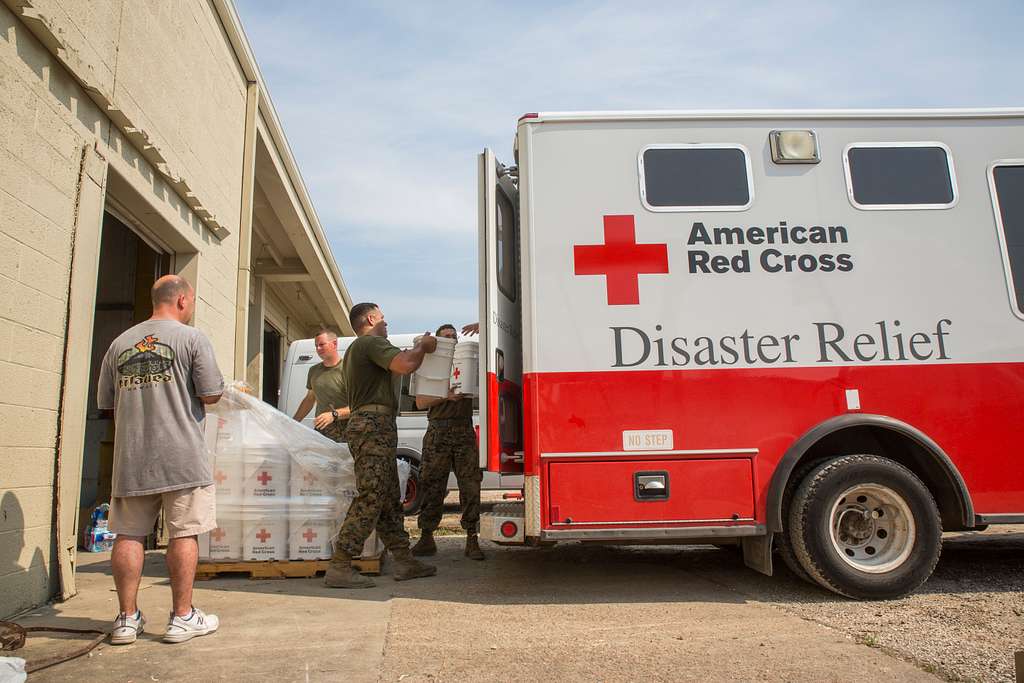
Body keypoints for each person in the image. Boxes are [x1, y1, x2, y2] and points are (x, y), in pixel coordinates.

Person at [96, 275, 224, 645]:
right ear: (183, 300)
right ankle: (182, 618)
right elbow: (212, 394)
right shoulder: (192, 338)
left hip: (132, 458)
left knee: (129, 533)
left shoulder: (119, 344)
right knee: (183, 532)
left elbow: (106, 404)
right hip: (182, 456)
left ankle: (125, 619)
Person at [324, 303, 439, 588]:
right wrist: (423, 347)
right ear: (371, 319)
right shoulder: (370, 342)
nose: (387, 324)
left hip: (377, 426)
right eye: (383, 318)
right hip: (373, 426)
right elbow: (405, 364)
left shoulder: (359, 348)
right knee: (372, 495)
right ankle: (340, 565)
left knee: (387, 496)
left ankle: (404, 560)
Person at [411, 324, 484, 560]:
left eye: (453, 336)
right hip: (438, 433)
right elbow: (421, 402)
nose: (451, 340)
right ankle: (426, 537)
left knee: (470, 486)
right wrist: (446, 396)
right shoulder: (428, 365)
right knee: (432, 486)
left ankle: (472, 538)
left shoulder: (467, 361)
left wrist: (483, 323)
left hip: (463, 431)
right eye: (446, 337)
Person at [292, 329, 350, 442]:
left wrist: (334, 415)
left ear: (334, 344)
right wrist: (293, 422)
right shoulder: (313, 371)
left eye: (322, 345)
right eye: (316, 346)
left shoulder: (349, 369)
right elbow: (309, 399)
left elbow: (359, 405)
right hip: (322, 433)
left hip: (347, 434)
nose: (318, 349)